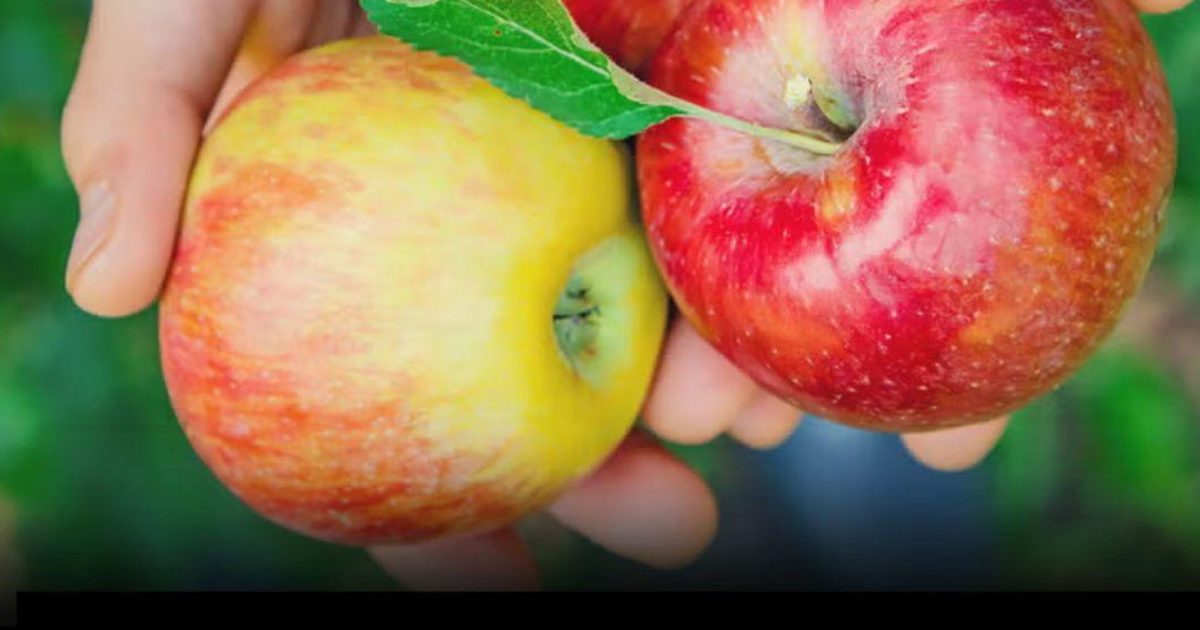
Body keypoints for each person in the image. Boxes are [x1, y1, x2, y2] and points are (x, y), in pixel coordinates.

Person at [59, 0, 1193, 590]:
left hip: (757, 281)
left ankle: (861, 463)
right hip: (724, 264)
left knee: (834, 359)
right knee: (806, 346)